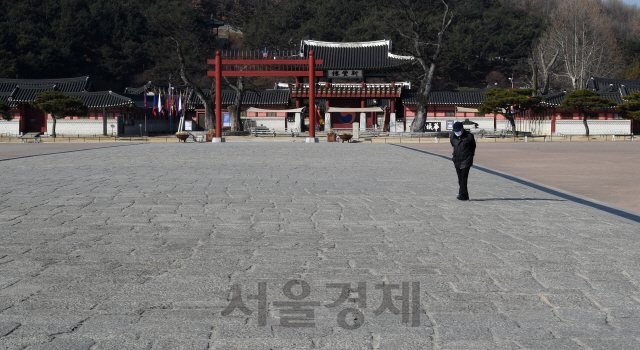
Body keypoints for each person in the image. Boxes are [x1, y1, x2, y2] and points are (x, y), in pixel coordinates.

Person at [450, 121, 476, 201]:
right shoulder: (453, 136)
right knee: (460, 178)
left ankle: (462, 194)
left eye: (458, 131)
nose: (456, 132)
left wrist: (469, 155)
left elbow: (473, 146)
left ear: (462, 129)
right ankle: (464, 194)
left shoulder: (469, 136)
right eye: (455, 131)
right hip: (457, 159)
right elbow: (453, 144)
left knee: (464, 177)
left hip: (466, 159)